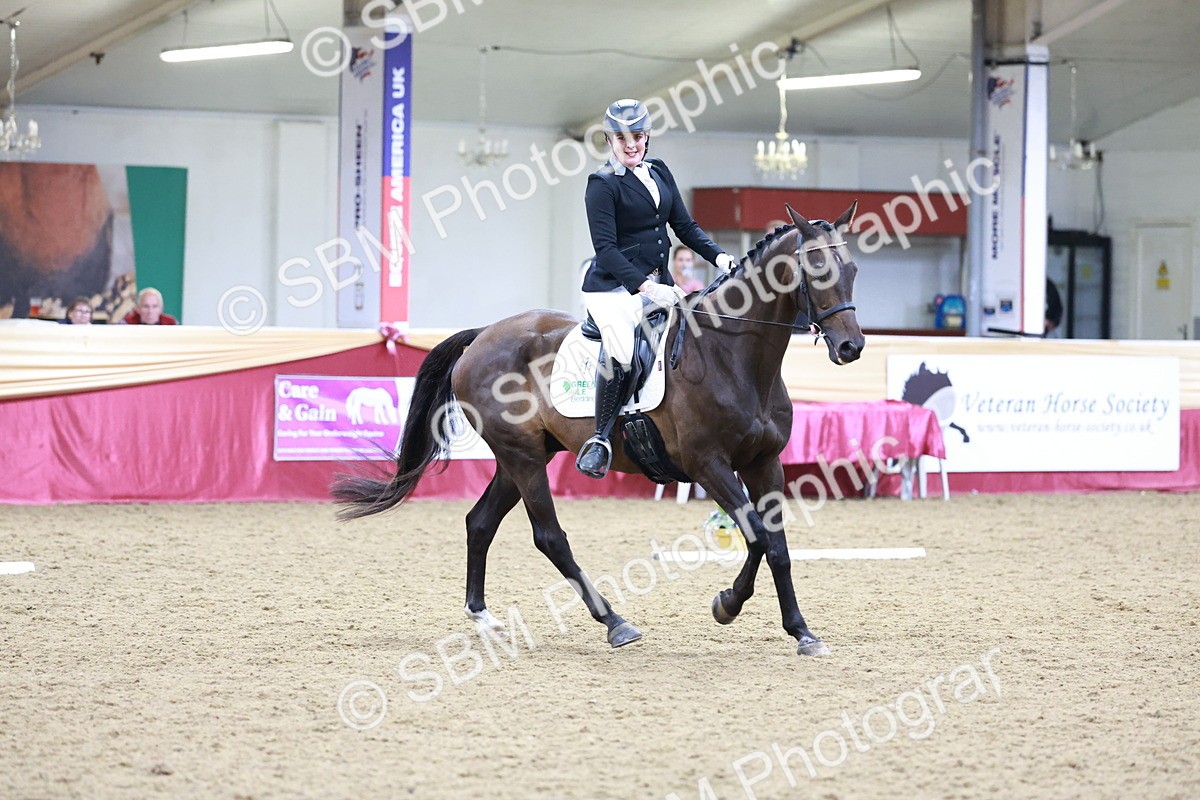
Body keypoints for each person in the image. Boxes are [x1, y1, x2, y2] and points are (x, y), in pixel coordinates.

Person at [576, 98, 736, 478]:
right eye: (622, 138)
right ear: (609, 140)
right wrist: (646, 287)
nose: (631, 144)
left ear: (647, 136)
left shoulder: (659, 171)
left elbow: (685, 227)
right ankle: (600, 439)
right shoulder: (602, 184)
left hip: (659, 284)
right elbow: (606, 250)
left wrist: (721, 258)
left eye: (637, 136)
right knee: (622, 348)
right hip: (613, 289)